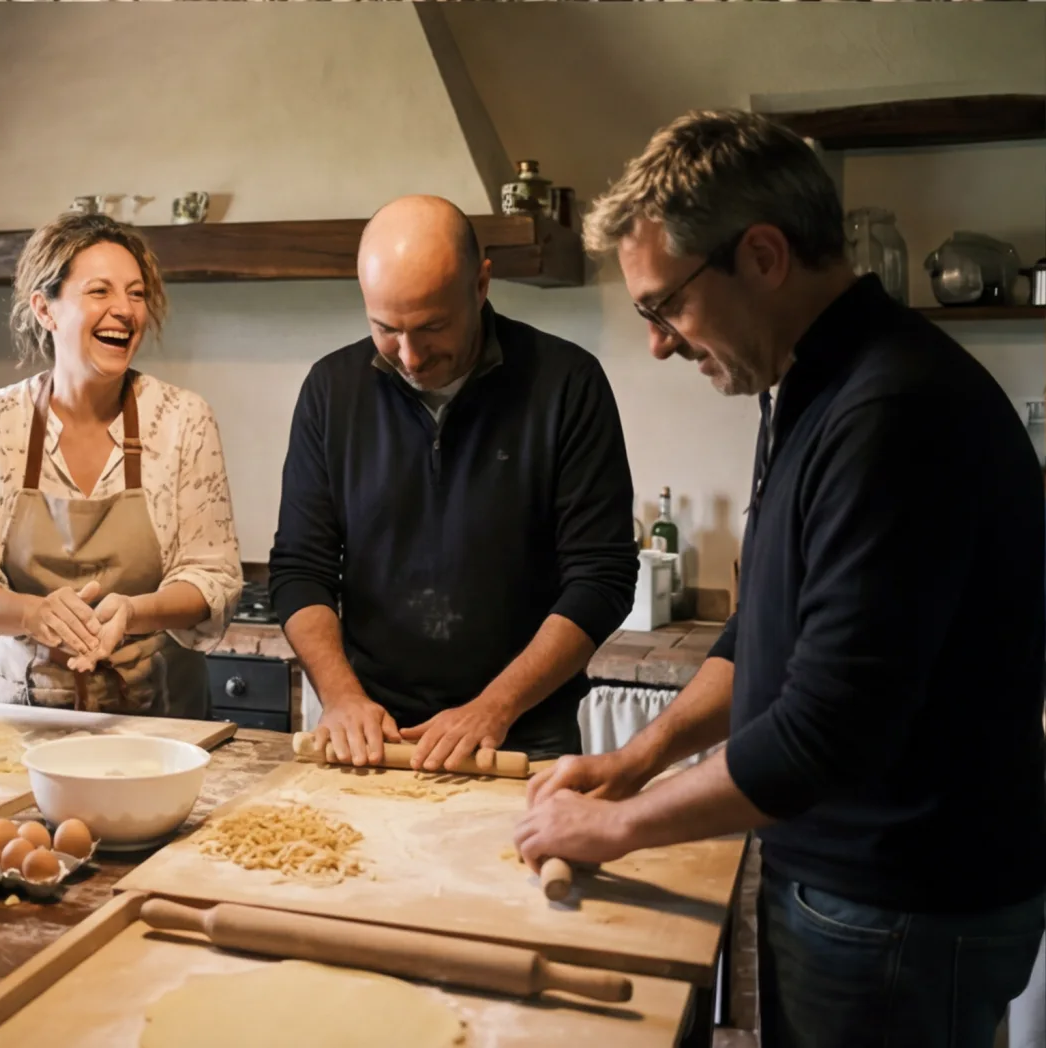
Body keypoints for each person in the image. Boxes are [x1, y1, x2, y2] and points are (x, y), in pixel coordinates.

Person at [516, 109, 1046, 1047]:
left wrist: (619, 829)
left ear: (761, 256)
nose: (659, 343)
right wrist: (634, 763)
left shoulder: (893, 412)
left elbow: (824, 732)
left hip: (898, 906)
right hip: (857, 890)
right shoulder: (807, 388)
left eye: (663, 304)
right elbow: (760, 632)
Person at [272, 195, 637, 770]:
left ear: (481, 284)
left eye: (432, 327)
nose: (411, 356)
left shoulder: (566, 384)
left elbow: (602, 578)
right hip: (372, 734)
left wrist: (494, 706)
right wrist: (342, 697)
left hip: (520, 736)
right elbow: (301, 569)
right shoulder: (330, 390)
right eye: (386, 329)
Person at [0, 212, 242, 716]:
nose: (124, 310)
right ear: (45, 309)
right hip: (19, 715)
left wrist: (133, 611)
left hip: (156, 715)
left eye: (136, 294)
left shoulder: (183, 420)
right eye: (100, 291)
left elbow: (214, 579)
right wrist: (33, 614)